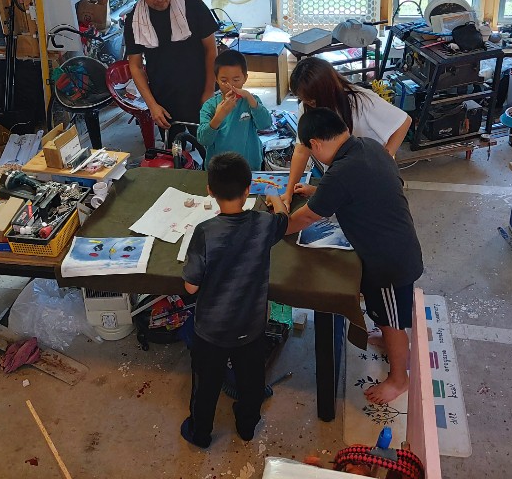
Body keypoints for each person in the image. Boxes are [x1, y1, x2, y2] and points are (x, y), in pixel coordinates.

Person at [285, 108, 423, 404]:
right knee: (384, 313)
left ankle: (399, 379)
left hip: (389, 262)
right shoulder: (367, 146)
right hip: (393, 246)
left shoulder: (341, 173)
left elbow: (306, 218)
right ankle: (386, 338)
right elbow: (358, 186)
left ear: (315, 144)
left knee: (393, 322)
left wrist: (278, 226)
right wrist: (318, 191)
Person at [181, 152, 289, 448]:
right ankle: (247, 427)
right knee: (252, 382)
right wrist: (274, 194)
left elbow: (190, 287)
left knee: (206, 385)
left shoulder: (205, 232)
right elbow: (284, 219)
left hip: (211, 330)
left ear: (210, 190)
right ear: (248, 190)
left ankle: (200, 433)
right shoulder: (264, 224)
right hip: (250, 326)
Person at [282, 57, 411, 207]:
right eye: (304, 99)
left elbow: (404, 121)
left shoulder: (361, 100)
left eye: (312, 100)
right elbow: (301, 151)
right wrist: (288, 193)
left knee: (365, 209)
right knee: (345, 206)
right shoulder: (307, 107)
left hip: (370, 174)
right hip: (344, 176)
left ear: (327, 89)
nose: (308, 104)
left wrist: (384, 158)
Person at [124, 0, 218, 135]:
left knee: (208, 145)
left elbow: (211, 50)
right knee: (173, 149)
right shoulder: (134, 21)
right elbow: (135, 66)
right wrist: (152, 105)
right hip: (164, 98)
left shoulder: (193, 6)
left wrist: (209, 91)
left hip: (199, 90)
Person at [197, 50, 273, 170]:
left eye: (236, 80)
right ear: (216, 79)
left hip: (249, 165)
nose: (230, 86)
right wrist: (219, 116)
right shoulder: (210, 106)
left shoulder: (251, 101)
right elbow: (203, 140)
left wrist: (249, 97)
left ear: (245, 78)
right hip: (219, 168)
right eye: (224, 81)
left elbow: (266, 124)